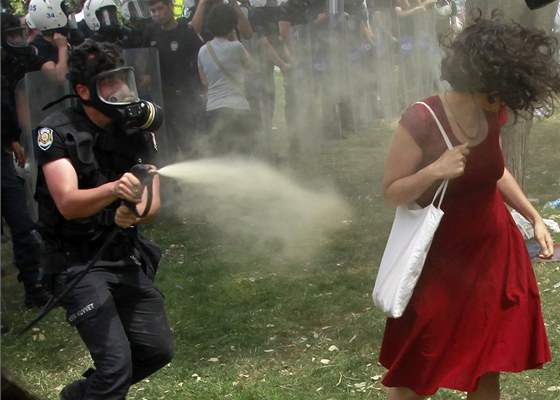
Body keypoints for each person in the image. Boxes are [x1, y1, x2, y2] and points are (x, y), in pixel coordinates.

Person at [379, 11, 560, 400]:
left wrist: (533, 216)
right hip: (438, 263)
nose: (501, 102)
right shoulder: (422, 117)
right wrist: (435, 171)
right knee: (416, 366)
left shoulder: (491, 110)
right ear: (479, 75)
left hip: (493, 257)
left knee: (486, 366)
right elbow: (391, 191)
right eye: (498, 88)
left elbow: (495, 170)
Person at [34, 39, 174, 400]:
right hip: (76, 262)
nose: (122, 91)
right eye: (109, 84)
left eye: (122, 80)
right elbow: (67, 203)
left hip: (123, 256)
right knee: (115, 366)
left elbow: (152, 204)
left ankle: (80, 395)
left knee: (156, 350)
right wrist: (114, 191)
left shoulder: (136, 126)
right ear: (84, 91)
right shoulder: (56, 131)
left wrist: (135, 210)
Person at [1, 12, 50, 310]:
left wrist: (12, 139)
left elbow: (5, 108)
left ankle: (34, 287)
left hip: (3, 158)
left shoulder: (6, 69)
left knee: (23, 224)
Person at [142, 0, 204, 162]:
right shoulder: (150, 32)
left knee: (190, 144)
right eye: (153, 10)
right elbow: (142, 60)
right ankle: (172, 186)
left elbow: (199, 61)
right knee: (167, 146)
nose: (157, 14)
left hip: (186, 99)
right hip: (163, 100)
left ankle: (193, 181)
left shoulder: (186, 32)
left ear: (170, 6)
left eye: (160, 8)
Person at [197, 3, 256, 155]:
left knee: (221, 154)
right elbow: (251, 65)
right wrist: (234, 36)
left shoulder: (203, 51)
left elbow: (205, 82)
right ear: (232, 24)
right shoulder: (236, 47)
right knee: (243, 153)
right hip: (238, 107)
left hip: (214, 108)